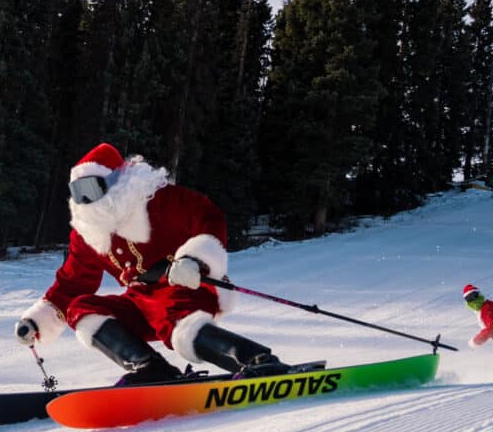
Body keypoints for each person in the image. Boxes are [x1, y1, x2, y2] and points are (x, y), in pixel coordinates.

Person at [15, 142, 291, 384]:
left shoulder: (158, 202)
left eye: (89, 188)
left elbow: (209, 216)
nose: (85, 201)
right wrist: (37, 321)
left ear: (116, 181)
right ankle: (151, 368)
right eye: (77, 193)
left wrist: (195, 260)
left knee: (173, 317)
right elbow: (73, 281)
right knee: (82, 309)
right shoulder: (89, 234)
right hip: (143, 302)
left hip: (189, 285)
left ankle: (257, 361)